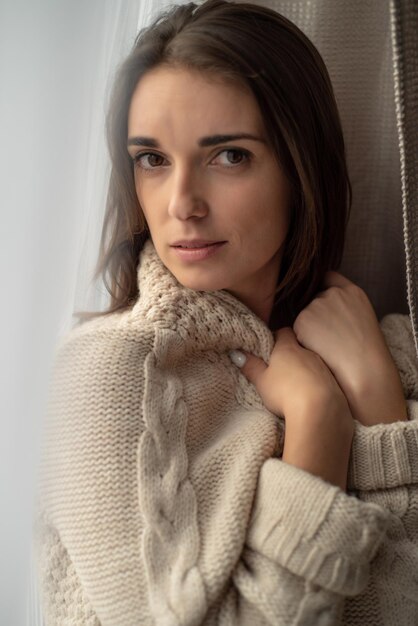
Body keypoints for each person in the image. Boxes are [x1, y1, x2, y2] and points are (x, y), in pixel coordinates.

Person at [34, 1, 418, 624]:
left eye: (228, 155)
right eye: (152, 159)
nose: (182, 202)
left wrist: (377, 404)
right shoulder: (108, 373)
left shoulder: (389, 353)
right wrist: (319, 421)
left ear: (301, 168)